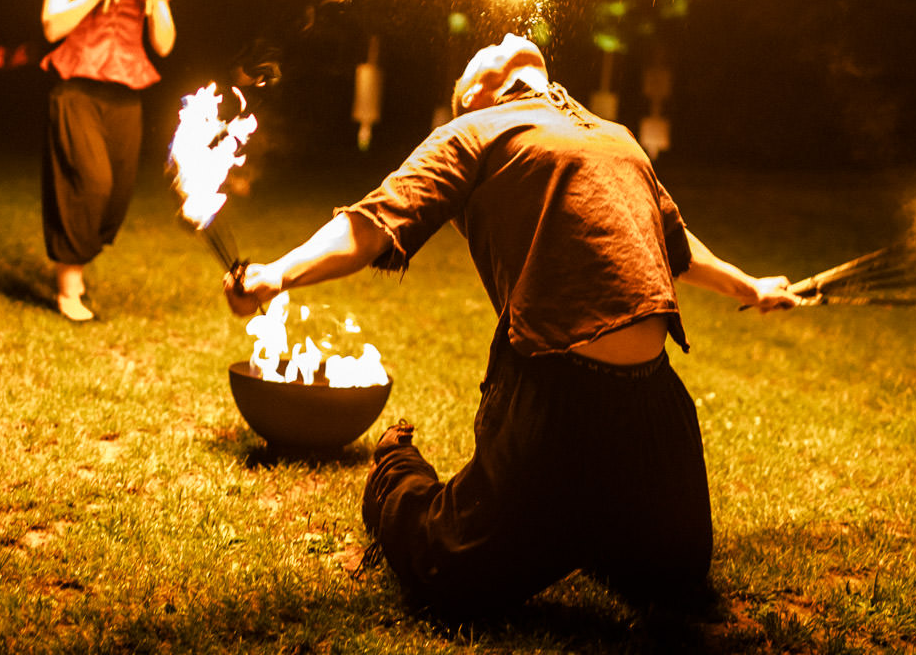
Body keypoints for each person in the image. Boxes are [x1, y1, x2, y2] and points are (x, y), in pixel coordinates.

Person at [224, 33, 799, 629]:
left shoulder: (612, 135)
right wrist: (275, 275)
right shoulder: (473, 132)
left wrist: (749, 286)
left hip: (653, 402)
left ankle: (584, 522)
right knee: (448, 575)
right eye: (486, 47)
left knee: (675, 575)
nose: (502, 33)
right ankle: (395, 468)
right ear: (473, 95)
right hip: (555, 399)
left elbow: (674, 243)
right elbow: (371, 224)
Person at [40, 0, 175, 321]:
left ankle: (76, 257)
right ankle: (69, 287)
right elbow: (51, 26)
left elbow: (165, 45)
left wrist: (155, 0)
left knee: (115, 196)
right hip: (76, 89)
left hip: (126, 94)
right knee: (89, 185)